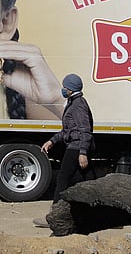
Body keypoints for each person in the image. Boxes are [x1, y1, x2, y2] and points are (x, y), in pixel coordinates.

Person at [35, 74, 97, 228]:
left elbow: (85, 130)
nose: (62, 89)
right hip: (76, 146)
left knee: (62, 179)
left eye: (65, 87)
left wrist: (82, 152)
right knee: (91, 182)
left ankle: (55, 217)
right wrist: (52, 141)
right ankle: (99, 213)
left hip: (76, 148)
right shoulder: (73, 102)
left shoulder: (78, 105)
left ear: (70, 89)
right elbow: (67, 131)